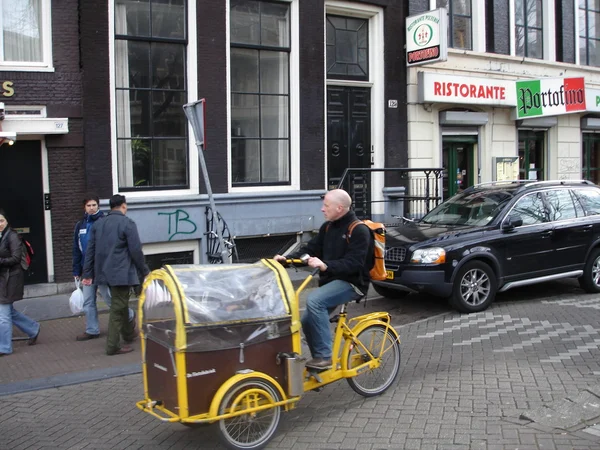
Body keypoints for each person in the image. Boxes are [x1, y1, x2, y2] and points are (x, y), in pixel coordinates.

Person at [274, 189, 371, 369]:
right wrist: (286, 260)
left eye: (326, 205)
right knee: (306, 321)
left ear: (339, 208)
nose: (322, 209)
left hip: (353, 283)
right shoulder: (327, 227)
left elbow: (355, 263)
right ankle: (318, 358)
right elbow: (310, 250)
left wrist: (327, 265)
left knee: (314, 300)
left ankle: (325, 357)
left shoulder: (358, 230)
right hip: (331, 282)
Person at [82, 195, 149, 355]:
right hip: (121, 273)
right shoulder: (127, 224)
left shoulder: (98, 225)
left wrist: (88, 273)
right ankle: (113, 346)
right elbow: (135, 251)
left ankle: (128, 333)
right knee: (118, 308)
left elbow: (90, 251)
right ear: (123, 206)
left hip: (102, 272)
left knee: (121, 303)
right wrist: (145, 271)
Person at [72, 194, 135, 341]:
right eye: (89, 205)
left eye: (94, 205)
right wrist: (76, 270)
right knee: (88, 300)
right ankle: (92, 330)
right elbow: (76, 249)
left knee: (109, 299)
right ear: (84, 208)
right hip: (86, 270)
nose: (92, 208)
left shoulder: (104, 221)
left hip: (101, 268)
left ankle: (130, 315)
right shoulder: (79, 225)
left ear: (98, 206)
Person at [0, 209, 40, 356]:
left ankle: (4, 347)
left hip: (11, 278)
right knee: (8, 312)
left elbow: (16, 258)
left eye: (1, 221)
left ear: (6, 221)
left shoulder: (12, 236)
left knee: (3, 315)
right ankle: (33, 328)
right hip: (3, 278)